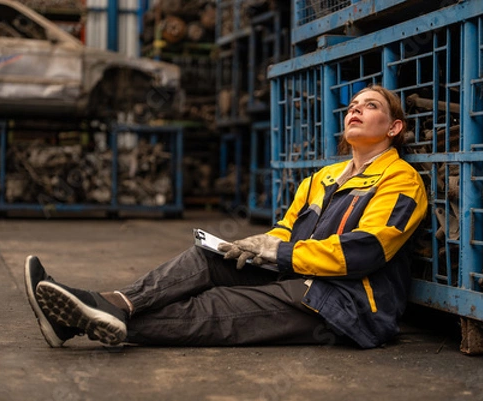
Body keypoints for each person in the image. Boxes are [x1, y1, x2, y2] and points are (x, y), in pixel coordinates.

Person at [25, 84, 428, 349]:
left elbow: (366, 251)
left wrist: (280, 254)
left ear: (394, 127)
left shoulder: (400, 179)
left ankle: (82, 317)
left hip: (347, 304)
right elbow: (286, 229)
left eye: (369, 105)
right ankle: (113, 303)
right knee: (207, 258)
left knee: (217, 304)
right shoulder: (322, 178)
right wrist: (255, 246)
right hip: (299, 275)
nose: (355, 110)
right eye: (353, 105)